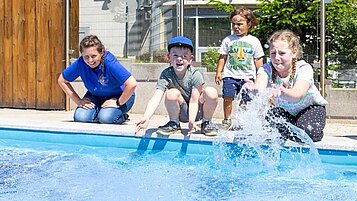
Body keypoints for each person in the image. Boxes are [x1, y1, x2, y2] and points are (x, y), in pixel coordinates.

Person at [245, 30, 328, 142]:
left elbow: (298, 94)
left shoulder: (303, 68)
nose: (277, 58)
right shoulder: (266, 68)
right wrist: (255, 91)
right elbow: (260, 85)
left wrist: (284, 92)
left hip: (309, 108)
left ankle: (298, 127)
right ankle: (293, 128)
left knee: (308, 133)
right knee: (267, 127)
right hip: (285, 112)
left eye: (282, 53)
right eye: (273, 53)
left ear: (294, 53)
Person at [135, 36, 219, 136]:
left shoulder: (195, 75)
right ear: (169, 57)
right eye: (175, 55)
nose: (179, 59)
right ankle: (174, 123)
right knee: (171, 93)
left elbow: (194, 101)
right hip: (181, 112)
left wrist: (191, 121)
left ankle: (206, 123)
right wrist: (147, 117)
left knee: (211, 91)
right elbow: (156, 97)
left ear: (190, 59)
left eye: (184, 56)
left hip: (198, 111)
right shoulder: (166, 74)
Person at [58, 35, 136, 124]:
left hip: (120, 96)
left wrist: (118, 102)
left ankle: (120, 116)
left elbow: (132, 83)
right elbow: (62, 80)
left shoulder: (109, 62)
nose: (90, 60)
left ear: (102, 52)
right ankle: (100, 113)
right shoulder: (80, 63)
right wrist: (78, 101)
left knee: (106, 118)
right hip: (95, 97)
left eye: (93, 56)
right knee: (80, 117)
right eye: (86, 57)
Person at [215, 7, 264, 130]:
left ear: (249, 24)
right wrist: (218, 72)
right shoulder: (228, 40)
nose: (236, 27)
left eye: (239, 24)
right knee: (228, 97)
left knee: (246, 100)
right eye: (233, 24)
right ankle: (227, 120)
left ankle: (242, 121)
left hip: (248, 78)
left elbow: (258, 59)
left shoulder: (254, 41)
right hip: (230, 75)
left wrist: (261, 76)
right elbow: (223, 57)